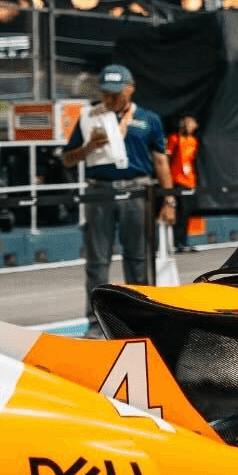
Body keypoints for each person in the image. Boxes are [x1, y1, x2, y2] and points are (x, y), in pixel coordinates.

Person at [62, 63, 172, 326]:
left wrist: (169, 200)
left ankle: (140, 320)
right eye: (105, 93)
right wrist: (89, 147)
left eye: (116, 93)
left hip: (136, 192)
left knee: (138, 258)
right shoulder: (89, 117)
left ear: (130, 89)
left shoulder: (149, 119)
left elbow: (161, 162)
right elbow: (67, 159)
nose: (109, 99)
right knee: (97, 261)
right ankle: (97, 322)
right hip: (98, 192)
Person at [167, 114, 202, 246]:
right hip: (177, 180)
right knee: (179, 213)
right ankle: (176, 242)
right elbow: (168, 158)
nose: (192, 126)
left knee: (187, 213)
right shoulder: (174, 139)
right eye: (189, 123)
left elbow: (192, 161)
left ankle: (183, 241)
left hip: (190, 182)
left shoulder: (194, 141)